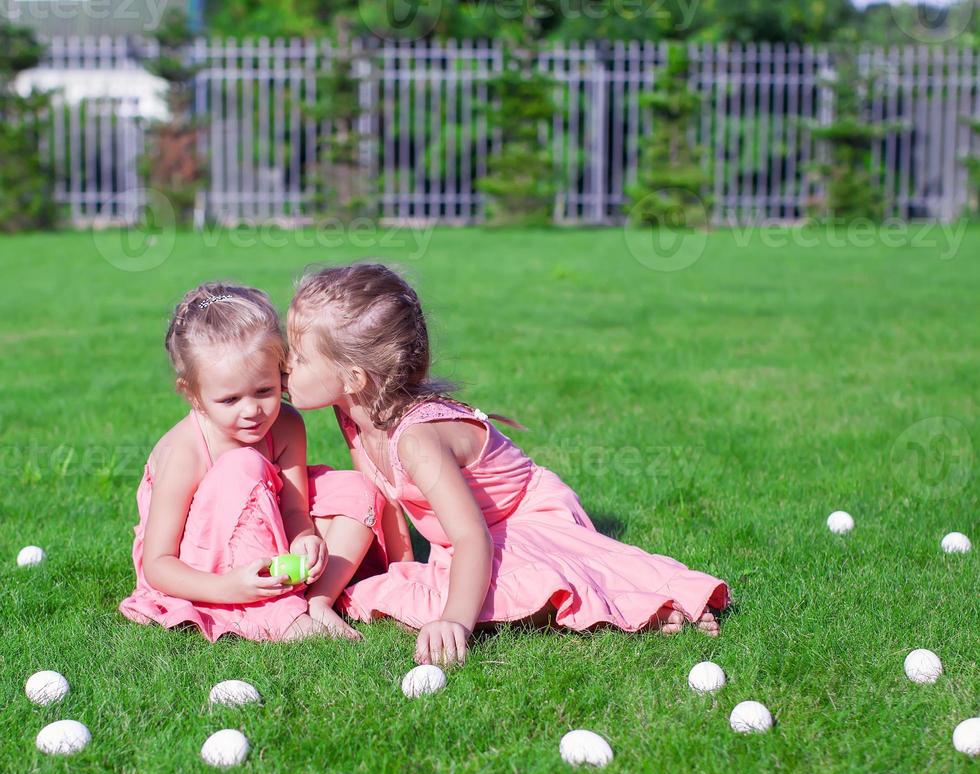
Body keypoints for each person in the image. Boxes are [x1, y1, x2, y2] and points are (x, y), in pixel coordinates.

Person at [285, 263, 729, 665]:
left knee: (501, 590)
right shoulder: (354, 416)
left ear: (354, 378)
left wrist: (456, 623)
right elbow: (384, 507)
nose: (286, 366)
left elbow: (471, 536)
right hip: (467, 536)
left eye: (301, 357)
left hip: (519, 522)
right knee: (400, 593)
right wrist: (352, 589)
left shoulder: (417, 440)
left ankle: (650, 610)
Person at [119, 282, 385, 642]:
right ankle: (279, 615)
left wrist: (304, 535)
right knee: (243, 465)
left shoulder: (287, 425)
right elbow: (158, 565)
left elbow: (294, 508)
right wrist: (229, 587)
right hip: (205, 566)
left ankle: (319, 599)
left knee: (356, 488)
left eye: (265, 391)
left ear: (280, 372)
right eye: (229, 400)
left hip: (266, 538)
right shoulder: (186, 451)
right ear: (193, 395)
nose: (252, 412)